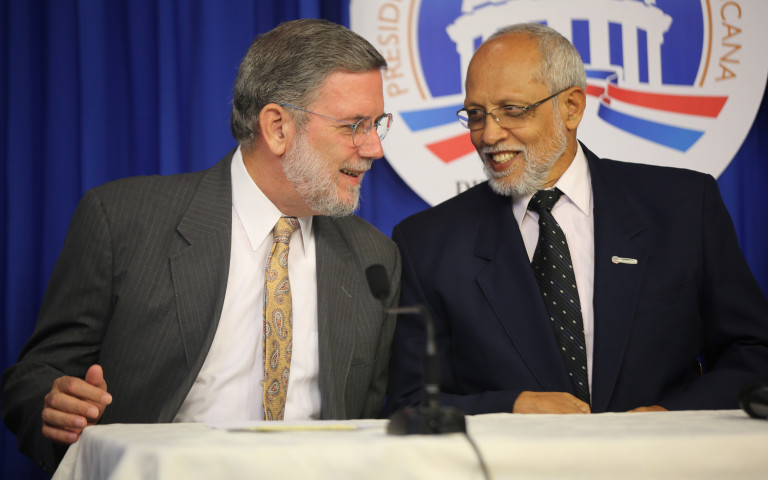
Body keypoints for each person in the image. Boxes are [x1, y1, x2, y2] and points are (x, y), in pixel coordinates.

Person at [2, 18, 401, 474]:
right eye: (354, 126)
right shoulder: (123, 221)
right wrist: (56, 405)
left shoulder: (374, 258)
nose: (374, 148)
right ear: (277, 127)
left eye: (377, 124)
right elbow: (34, 379)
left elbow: (369, 422)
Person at [386, 23, 768, 417]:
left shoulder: (684, 207)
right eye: (476, 115)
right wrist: (511, 407)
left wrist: (670, 416)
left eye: (511, 110)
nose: (489, 135)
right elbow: (409, 401)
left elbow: (753, 351)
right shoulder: (427, 243)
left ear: (571, 107)